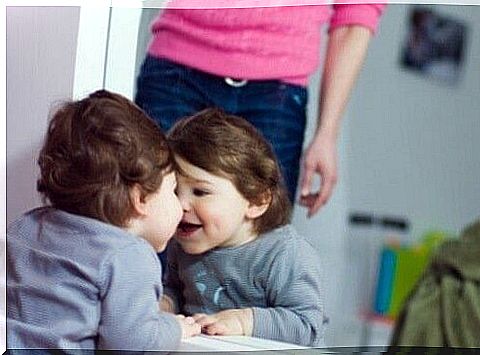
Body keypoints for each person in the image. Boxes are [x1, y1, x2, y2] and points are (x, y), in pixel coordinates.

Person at [135, 1, 386, 218]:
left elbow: (357, 12)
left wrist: (327, 133)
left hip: (276, 96)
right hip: (177, 68)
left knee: (260, 251)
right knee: (148, 216)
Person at [6, 90, 201, 351]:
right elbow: (132, 347)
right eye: (173, 190)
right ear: (140, 198)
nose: (182, 206)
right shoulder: (129, 255)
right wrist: (173, 327)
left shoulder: (24, 227)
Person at [161, 108, 325, 346]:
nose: (181, 204)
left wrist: (243, 321)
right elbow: (177, 291)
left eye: (200, 192)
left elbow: (305, 325)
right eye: (174, 191)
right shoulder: (185, 241)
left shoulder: (284, 254)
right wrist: (164, 304)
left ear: (257, 201)